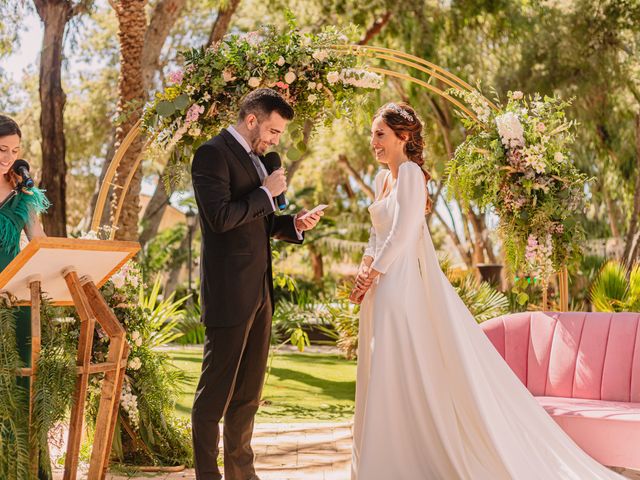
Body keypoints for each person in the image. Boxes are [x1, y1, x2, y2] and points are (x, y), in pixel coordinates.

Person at [349, 102, 623, 479]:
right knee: (382, 366)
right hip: (379, 285)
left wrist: (376, 272)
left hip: (399, 285)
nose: (373, 142)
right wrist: (365, 267)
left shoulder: (411, 174)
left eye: (380, 134)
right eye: (373, 134)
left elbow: (404, 232)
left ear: (404, 137)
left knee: (399, 364)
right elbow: (376, 234)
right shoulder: (383, 181)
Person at [191, 88, 323, 480]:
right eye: (274, 131)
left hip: (260, 293)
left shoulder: (257, 161)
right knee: (213, 397)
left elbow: (258, 222)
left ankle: (242, 475)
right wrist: (267, 194)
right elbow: (219, 218)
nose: (275, 141)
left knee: (248, 397)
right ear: (252, 120)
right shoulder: (212, 154)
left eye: (278, 134)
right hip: (229, 293)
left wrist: (293, 224)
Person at [0, 115, 49, 476]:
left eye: (15, 150)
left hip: (12, 298)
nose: (8, 157)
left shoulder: (24, 194)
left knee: (18, 383)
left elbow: (40, 243)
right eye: (2, 149)